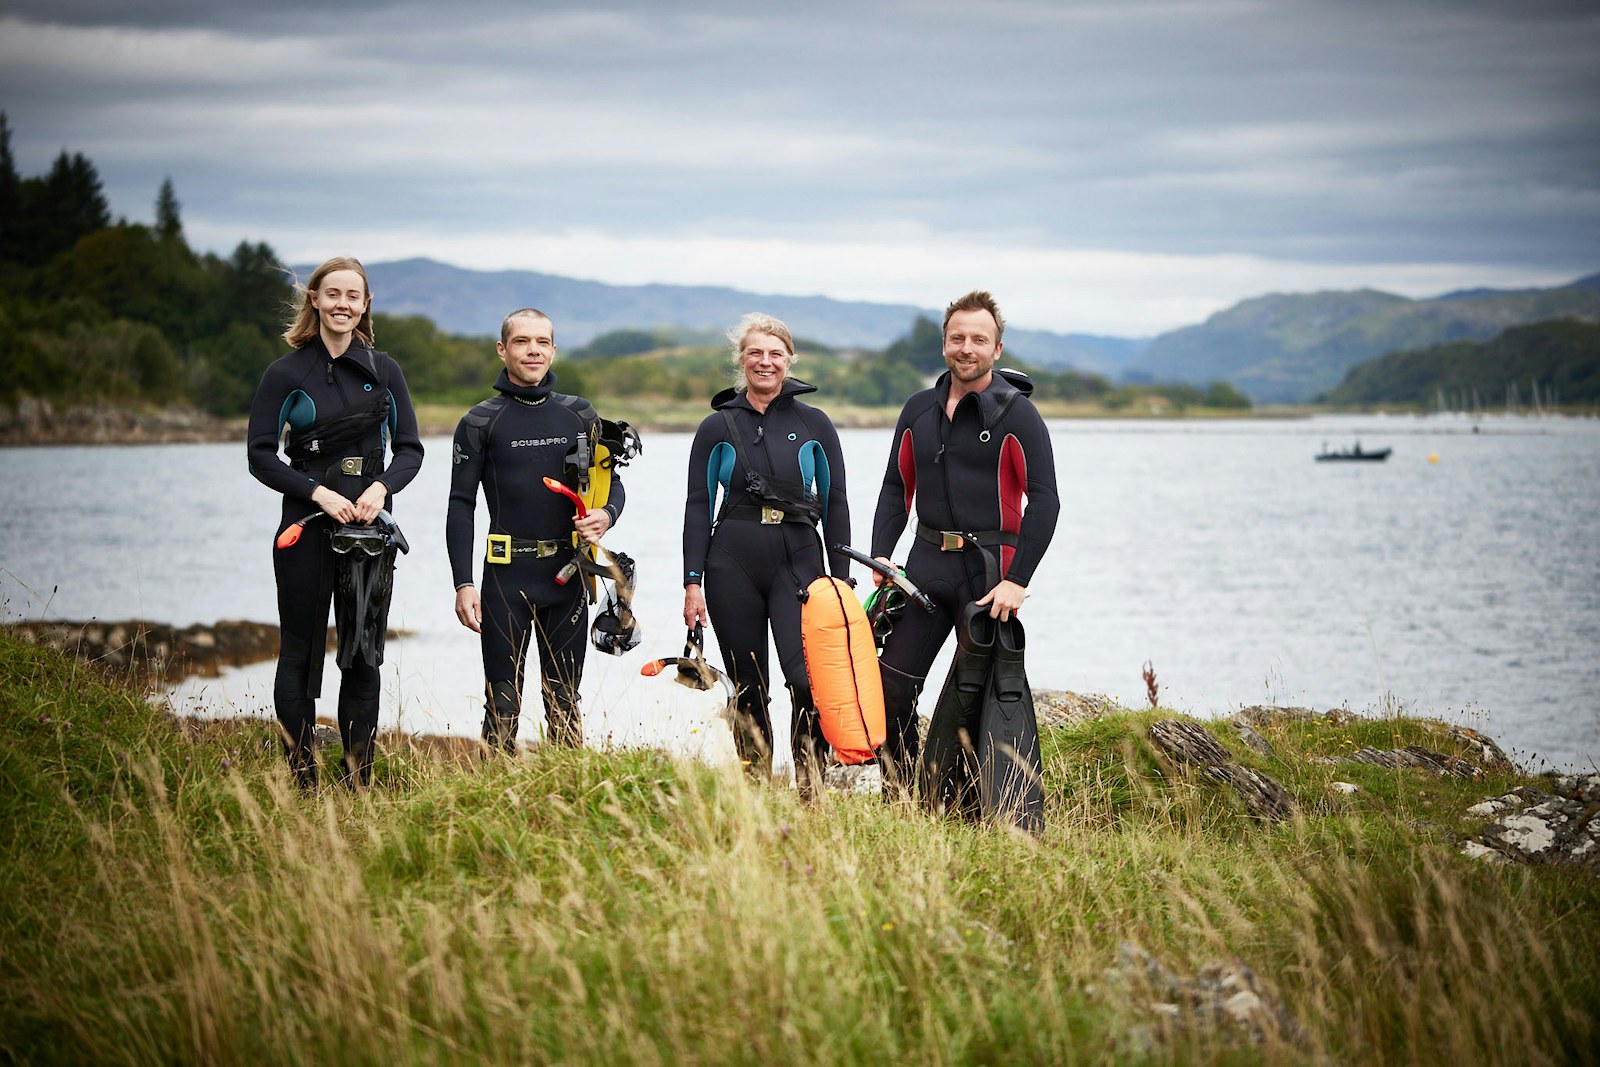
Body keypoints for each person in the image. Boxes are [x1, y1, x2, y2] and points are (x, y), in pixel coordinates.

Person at [869, 290, 1059, 797]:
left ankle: (977, 807)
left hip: (988, 575)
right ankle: (906, 797)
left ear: (997, 349)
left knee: (976, 698)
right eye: (958, 338)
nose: (966, 348)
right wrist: (883, 554)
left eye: (979, 339)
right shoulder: (918, 411)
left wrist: (1018, 581)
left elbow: (1045, 501)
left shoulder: (1018, 416)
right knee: (890, 687)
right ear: (944, 344)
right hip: (924, 566)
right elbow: (895, 485)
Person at [247, 256, 425, 790]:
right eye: (333, 294)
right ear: (315, 301)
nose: (343, 304)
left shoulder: (385, 370)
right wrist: (318, 494)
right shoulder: (286, 374)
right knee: (298, 652)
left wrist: (381, 488)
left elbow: (411, 451)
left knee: (362, 655)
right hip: (304, 525)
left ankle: (357, 781)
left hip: (369, 532)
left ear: (365, 305)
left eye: (354, 295)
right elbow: (260, 455)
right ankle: (303, 778)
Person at [682, 314, 852, 797]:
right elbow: (698, 506)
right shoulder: (716, 426)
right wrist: (692, 582)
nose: (766, 362)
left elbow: (835, 501)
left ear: (789, 361)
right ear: (741, 360)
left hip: (798, 561)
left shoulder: (814, 423)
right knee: (747, 685)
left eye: (776, 353)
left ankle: (810, 791)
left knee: (808, 683)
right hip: (730, 563)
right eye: (756, 352)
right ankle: (754, 793)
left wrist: (839, 580)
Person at [447, 308, 623, 751]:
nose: (533, 350)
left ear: (553, 350)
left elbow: (612, 483)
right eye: (522, 341)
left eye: (542, 342)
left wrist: (607, 515)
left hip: (567, 575)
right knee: (502, 700)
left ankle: (568, 801)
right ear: (502, 349)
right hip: (506, 576)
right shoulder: (480, 421)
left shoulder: (579, 415)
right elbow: (460, 504)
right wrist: (463, 583)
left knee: (564, 698)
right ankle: (494, 800)